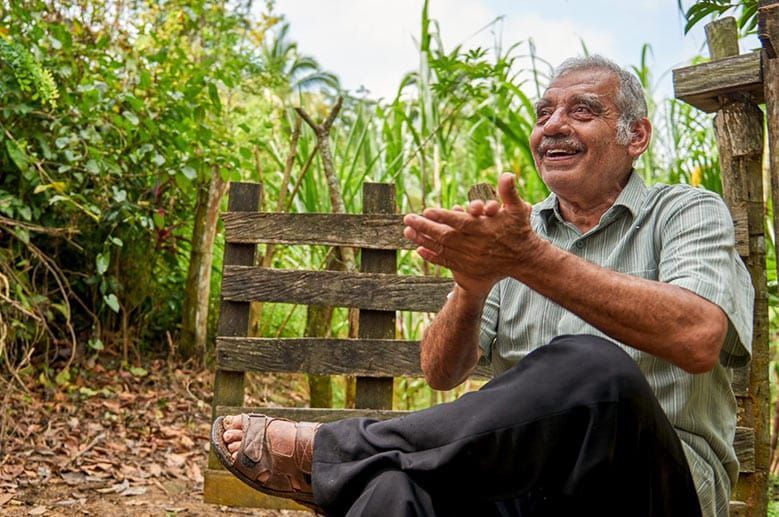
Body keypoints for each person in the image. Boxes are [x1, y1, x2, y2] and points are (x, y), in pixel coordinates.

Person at [210, 55, 753, 517]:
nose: (553, 126)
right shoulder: (514, 234)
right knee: (390, 490)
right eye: (544, 114)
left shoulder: (683, 211)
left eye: (582, 111)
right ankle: (358, 462)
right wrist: (470, 290)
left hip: (647, 487)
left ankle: (339, 448)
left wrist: (533, 262)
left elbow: (698, 337)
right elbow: (440, 372)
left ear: (635, 135)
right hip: (524, 489)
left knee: (595, 367)